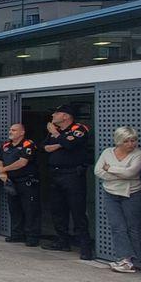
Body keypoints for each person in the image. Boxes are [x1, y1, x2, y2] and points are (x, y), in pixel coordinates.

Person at [42, 104, 94, 259]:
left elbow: (71, 144)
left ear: (65, 116)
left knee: (77, 211)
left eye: (56, 114)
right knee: (58, 210)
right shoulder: (56, 132)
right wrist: (60, 143)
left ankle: (85, 247)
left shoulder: (79, 128)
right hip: (55, 174)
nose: (53, 117)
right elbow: (44, 147)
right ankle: (62, 241)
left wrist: (57, 137)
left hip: (73, 175)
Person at [94, 126, 141, 273]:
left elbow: (131, 173)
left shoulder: (140, 155)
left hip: (132, 193)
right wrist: (120, 174)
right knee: (117, 226)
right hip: (110, 193)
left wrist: (110, 168)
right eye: (126, 141)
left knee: (132, 227)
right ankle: (124, 258)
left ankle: (133, 259)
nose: (131, 144)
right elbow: (98, 171)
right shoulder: (107, 152)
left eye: (133, 140)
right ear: (118, 141)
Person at [0, 123, 41, 247]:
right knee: (14, 209)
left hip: (26, 182)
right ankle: (17, 234)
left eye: (14, 130)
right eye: (10, 130)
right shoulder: (6, 145)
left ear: (22, 132)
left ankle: (32, 237)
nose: (11, 132)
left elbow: (22, 162)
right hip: (11, 182)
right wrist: (2, 172)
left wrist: (4, 169)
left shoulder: (28, 144)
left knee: (30, 210)